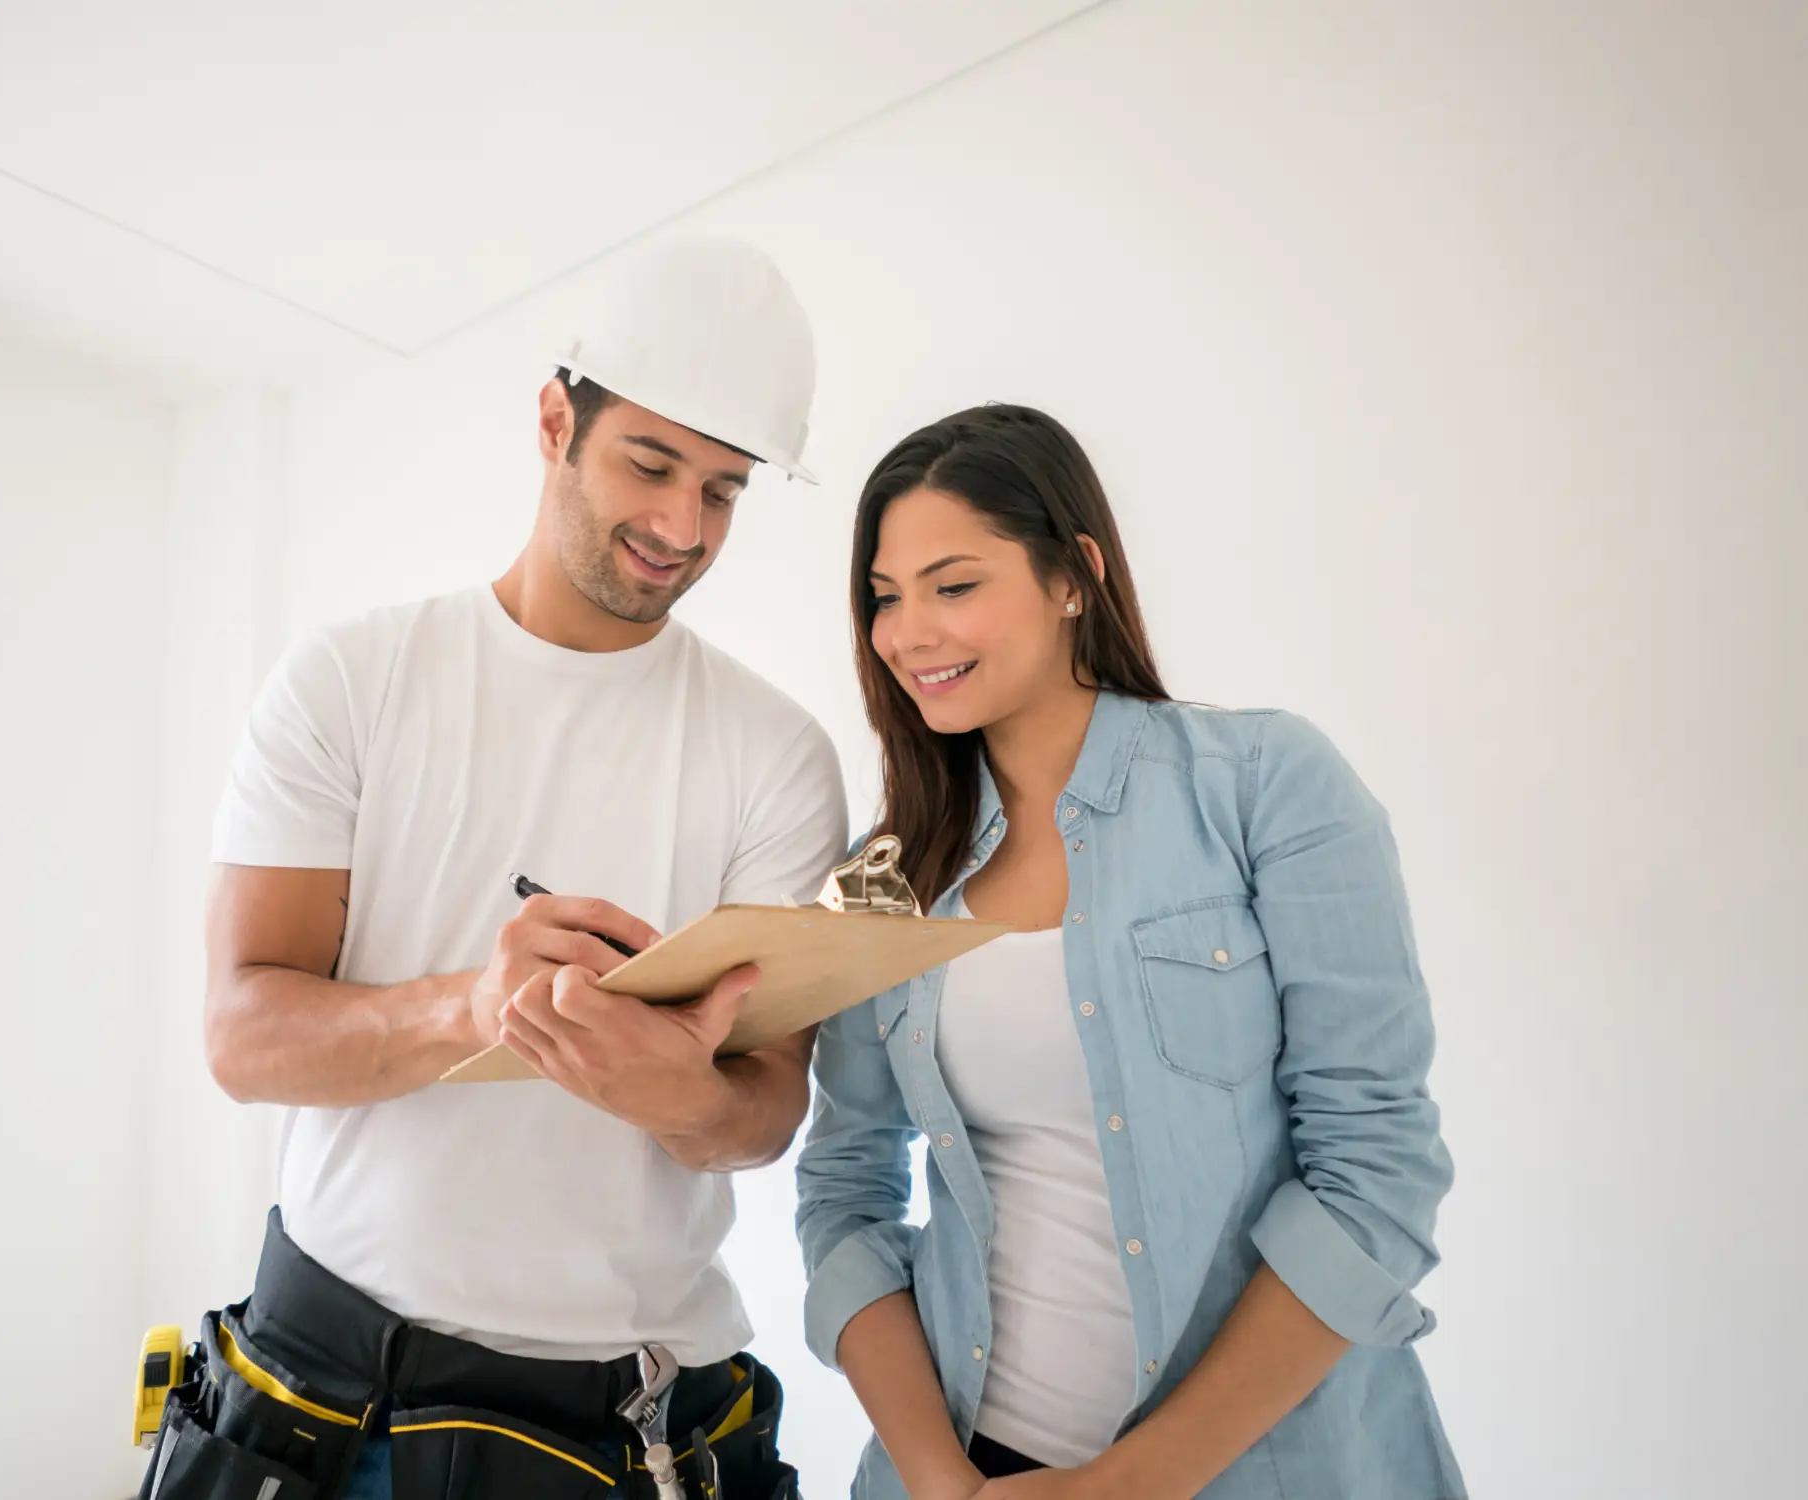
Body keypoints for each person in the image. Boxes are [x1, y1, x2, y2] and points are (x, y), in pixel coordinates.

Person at [136, 237, 849, 1500]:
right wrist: (477, 1011)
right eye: (651, 464)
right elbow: (243, 1035)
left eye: (726, 491)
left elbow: (768, 1108)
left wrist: (676, 1095)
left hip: (625, 1424)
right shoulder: (352, 684)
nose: (682, 528)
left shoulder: (777, 757)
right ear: (553, 420)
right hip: (333, 1404)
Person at [795, 404, 1464, 1499]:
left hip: (1259, 1471)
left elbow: (1375, 1175)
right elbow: (845, 1190)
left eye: (954, 585)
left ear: (1075, 575)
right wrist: (935, 1478)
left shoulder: (1266, 784)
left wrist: (1131, 1484)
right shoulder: (881, 878)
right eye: (884, 595)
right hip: (962, 1466)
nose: (908, 632)